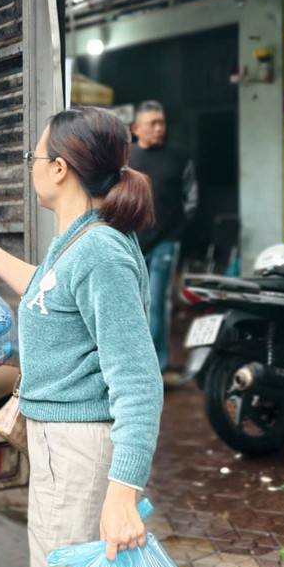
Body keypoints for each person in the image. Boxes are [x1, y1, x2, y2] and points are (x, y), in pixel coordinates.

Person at [0, 106, 162, 567]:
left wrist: (122, 493)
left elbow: (139, 380)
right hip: (63, 448)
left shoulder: (99, 252)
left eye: (32, 158)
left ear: (58, 168)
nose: (31, 167)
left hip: (79, 450)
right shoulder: (77, 239)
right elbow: (50, 292)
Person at [126, 101, 197, 374]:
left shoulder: (179, 157)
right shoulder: (126, 158)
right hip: (132, 241)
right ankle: (133, 361)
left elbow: (191, 199)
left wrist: (175, 230)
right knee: (131, 302)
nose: (159, 128)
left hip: (166, 241)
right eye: (152, 123)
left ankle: (156, 365)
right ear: (136, 129)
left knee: (156, 301)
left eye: (162, 123)